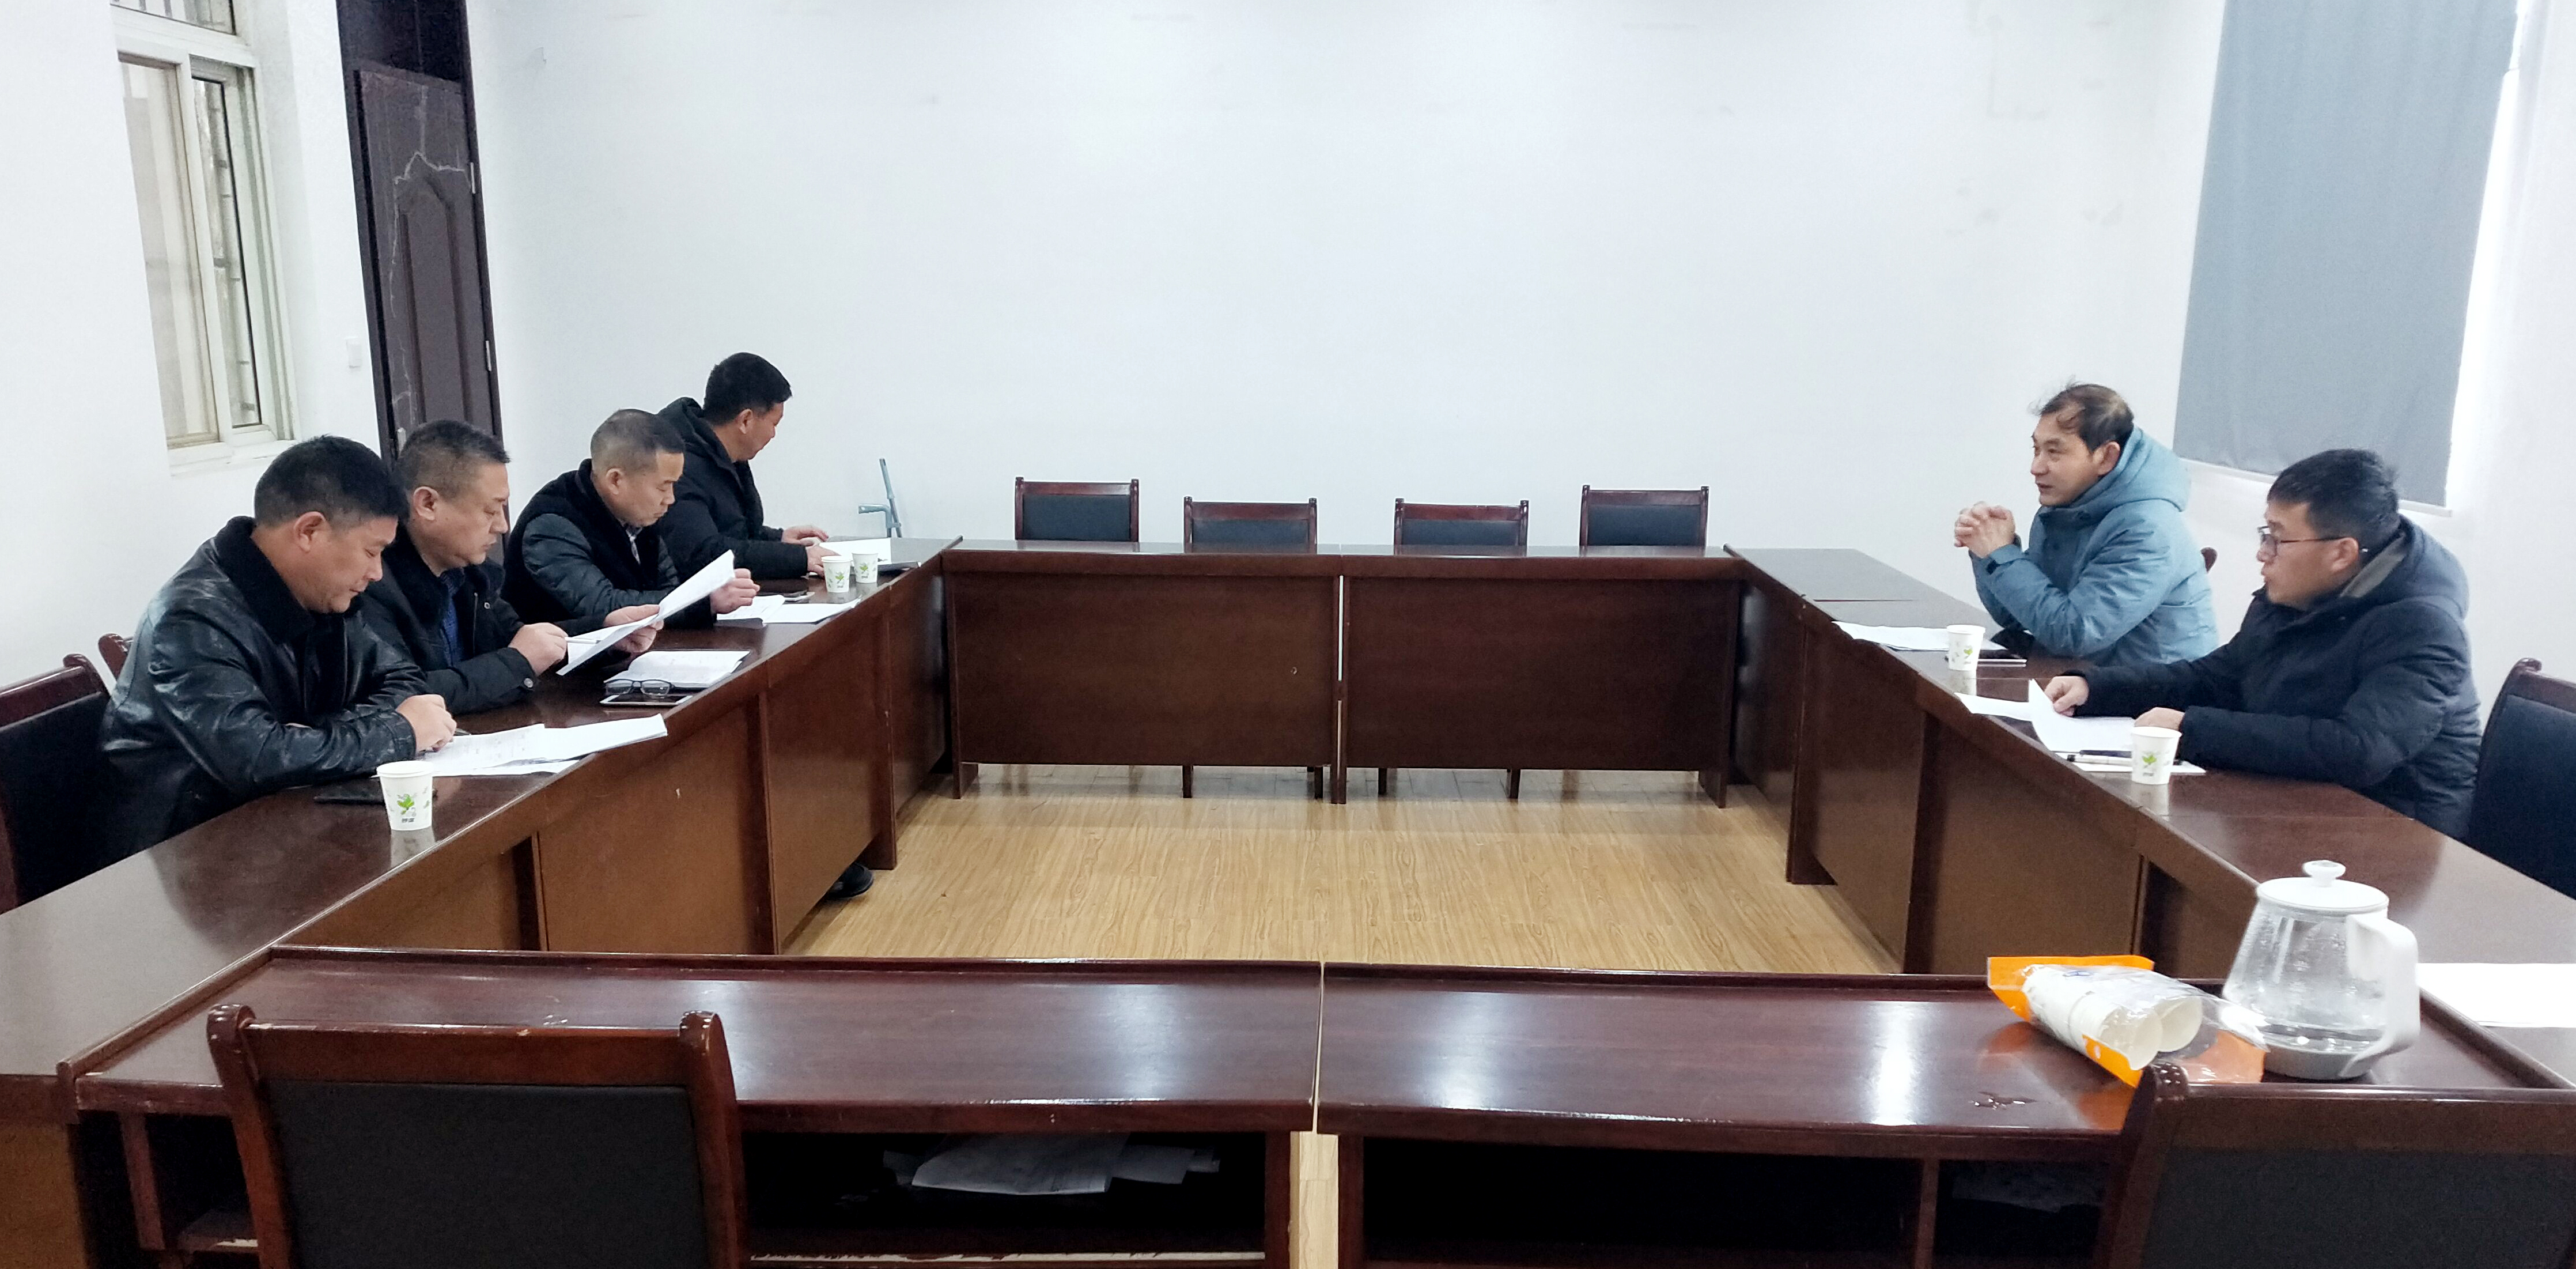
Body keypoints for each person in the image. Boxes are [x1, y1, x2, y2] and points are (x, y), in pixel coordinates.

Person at [2045, 449, 2480, 837]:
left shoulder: (2424, 628)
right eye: (2264, 533)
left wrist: (2190, 729)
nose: (2262, 552)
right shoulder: (2298, 593)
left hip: (2393, 833)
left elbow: (2358, 750)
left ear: (2342, 554)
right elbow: (2217, 678)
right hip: (2293, 801)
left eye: (2277, 537)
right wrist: (2099, 688)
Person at [96, 436, 457, 859]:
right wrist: (398, 732)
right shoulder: (191, 620)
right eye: (371, 551)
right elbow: (256, 760)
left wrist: (312, 737)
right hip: (181, 855)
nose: (377, 572)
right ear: (309, 531)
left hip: (287, 825)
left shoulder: (325, 593)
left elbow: (403, 680)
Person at [358, 421, 664, 715]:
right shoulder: (371, 583)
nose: (503, 526)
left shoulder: (470, 574)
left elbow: (518, 639)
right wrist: (518, 662)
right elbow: (405, 696)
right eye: (490, 511)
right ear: (428, 504)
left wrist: (606, 634)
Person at [1955, 384, 2219, 666]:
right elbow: (2016, 616)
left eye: (2054, 452)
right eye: (2036, 449)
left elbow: (2075, 634)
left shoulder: (2148, 529)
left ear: (2106, 457)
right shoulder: (2065, 508)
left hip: (2151, 689)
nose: (2036, 467)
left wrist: (2001, 555)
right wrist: (1988, 550)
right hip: (2084, 677)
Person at [505, 410, 761, 625]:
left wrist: (703, 593)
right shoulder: (552, 526)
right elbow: (604, 607)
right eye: (663, 487)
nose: (671, 499)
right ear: (616, 480)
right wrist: (702, 602)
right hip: (564, 667)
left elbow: (667, 586)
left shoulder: (638, 513)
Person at [656, 352, 834, 580]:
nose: (773, 434)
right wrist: (799, 558)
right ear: (746, 420)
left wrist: (779, 539)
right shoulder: (680, 465)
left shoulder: (726, 455)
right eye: (774, 423)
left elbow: (734, 531)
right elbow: (703, 553)